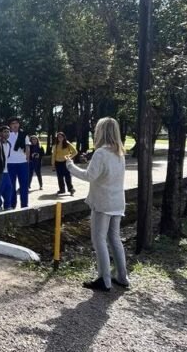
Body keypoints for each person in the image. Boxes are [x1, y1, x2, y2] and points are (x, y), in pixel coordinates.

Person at [64, 117, 130, 292]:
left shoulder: (101, 152)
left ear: (101, 132)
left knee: (99, 239)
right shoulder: (119, 152)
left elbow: (89, 176)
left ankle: (104, 279)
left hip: (103, 201)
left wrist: (70, 166)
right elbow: (103, 173)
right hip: (117, 201)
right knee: (114, 239)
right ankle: (122, 277)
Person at [6, 117, 31, 209]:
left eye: (16, 123)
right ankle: (12, 205)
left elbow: (27, 147)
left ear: (19, 124)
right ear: (10, 125)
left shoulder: (24, 135)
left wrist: (27, 159)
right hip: (10, 163)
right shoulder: (7, 135)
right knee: (11, 185)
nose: (15, 125)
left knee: (24, 185)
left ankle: (24, 205)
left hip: (22, 163)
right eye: (13, 123)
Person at [0, 126, 15, 210]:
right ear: (0, 133)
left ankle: (7, 206)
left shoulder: (9, 144)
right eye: (5, 131)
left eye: (8, 132)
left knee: (9, 188)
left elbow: (7, 156)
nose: (7, 133)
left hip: (6, 171)